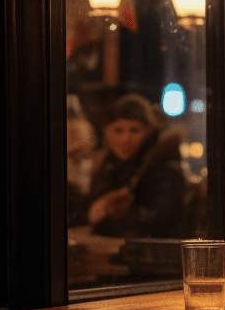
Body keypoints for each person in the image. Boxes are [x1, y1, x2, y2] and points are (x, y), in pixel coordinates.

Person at [69, 93, 187, 238]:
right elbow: (83, 211)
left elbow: (159, 222)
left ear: (148, 131)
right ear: (107, 132)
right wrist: (93, 212)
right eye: (118, 130)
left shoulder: (166, 168)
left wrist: (106, 217)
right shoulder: (108, 166)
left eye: (134, 130)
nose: (126, 139)